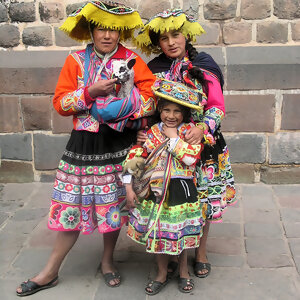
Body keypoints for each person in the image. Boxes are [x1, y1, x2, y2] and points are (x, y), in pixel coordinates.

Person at [16, 1, 156, 296]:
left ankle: (107, 261)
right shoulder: (76, 61)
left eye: (113, 30)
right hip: (84, 144)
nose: (107, 35)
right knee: (72, 205)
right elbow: (60, 103)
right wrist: (89, 93)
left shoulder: (132, 60)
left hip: (119, 143)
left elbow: (151, 98)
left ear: (120, 33)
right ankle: (51, 270)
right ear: (91, 30)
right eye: (101, 28)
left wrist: (122, 107)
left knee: (113, 204)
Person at [135, 8, 236, 279]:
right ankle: (171, 248)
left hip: (203, 146)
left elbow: (216, 106)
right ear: (157, 43)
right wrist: (143, 132)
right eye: (164, 38)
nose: (171, 42)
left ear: (185, 35)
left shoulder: (204, 64)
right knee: (172, 201)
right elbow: (147, 108)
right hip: (165, 149)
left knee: (202, 200)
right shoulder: (153, 70)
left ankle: (200, 252)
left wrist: (202, 127)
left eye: (176, 35)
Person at [123, 78, 207, 295]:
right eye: (166, 110)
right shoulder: (151, 133)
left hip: (182, 192)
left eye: (177, 111)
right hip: (156, 193)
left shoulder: (190, 132)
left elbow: (190, 159)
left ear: (185, 113)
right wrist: (129, 187)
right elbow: (137, 157)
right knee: (159, 233)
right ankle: (161, 272)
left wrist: (172, 138)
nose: (171, 116)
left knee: (181, 232)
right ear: (159, 110)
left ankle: (183, 270)